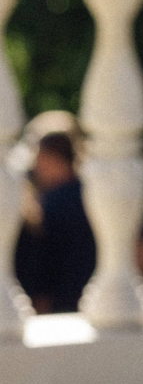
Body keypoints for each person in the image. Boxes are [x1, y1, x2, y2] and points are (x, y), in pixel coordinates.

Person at [14, 123, 96, 314]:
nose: (36, 166)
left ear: (51, 157)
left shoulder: (50, 205)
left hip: (60, 307)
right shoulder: (96, 195)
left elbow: (40, 267)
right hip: (96, 301)